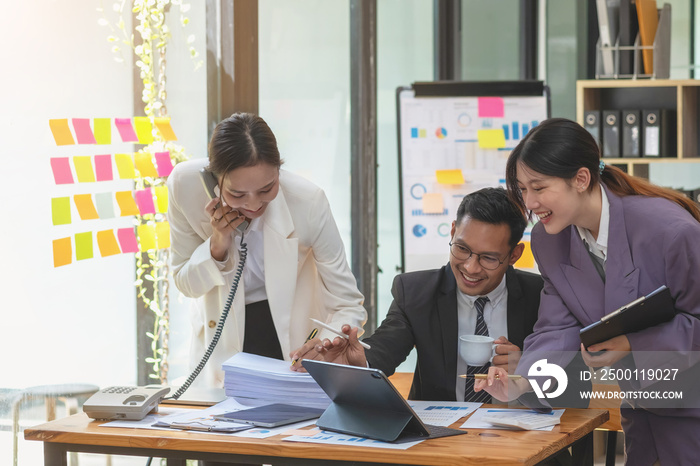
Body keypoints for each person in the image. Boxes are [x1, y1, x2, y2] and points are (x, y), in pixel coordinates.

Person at [477, 117, 700, 464]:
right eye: (522, 189)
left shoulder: (670, 231)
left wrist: (631, 343)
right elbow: (556, 328)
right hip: (642, 410)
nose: (529, 202)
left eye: (538, 187)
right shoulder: (549, 241)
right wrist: (523, 382)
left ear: (581, 179)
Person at [167, 113, 367, 387]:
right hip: (222, 343)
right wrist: (217, 244)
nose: (253, 204)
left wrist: (328, 342)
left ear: (279, 170)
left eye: (267, 189)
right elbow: (185, 284)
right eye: (237, 194)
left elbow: (347, 302)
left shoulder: (308, 202)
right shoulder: (185, 187)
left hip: (292, 343)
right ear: (214, 180)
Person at [296, 187, 544, 402]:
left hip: (522, 439)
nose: (471, 267)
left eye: (489, 258)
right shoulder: (416, 292)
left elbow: (577, 381)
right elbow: (385, 347)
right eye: (462, 249)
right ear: (453, 231)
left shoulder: (541, 296)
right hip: (441, 442)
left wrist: (528, 374)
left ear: (514, 255)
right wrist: (356, 364)